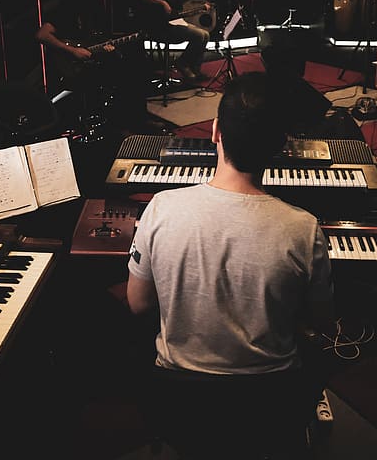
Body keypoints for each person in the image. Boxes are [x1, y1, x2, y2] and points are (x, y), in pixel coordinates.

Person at [125, 71, 335, 451]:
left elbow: (138, 304)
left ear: (216, 131)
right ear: (280, 144)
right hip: (271, 402)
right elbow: (320, 320)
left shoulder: (160, 209)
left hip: (179, 400)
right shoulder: (303, 229)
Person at [35, 0, 160, 135]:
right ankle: (123, 125)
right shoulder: (64, 8)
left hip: (93, 58)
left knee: (136, 65)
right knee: (125, 74)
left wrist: (108, 47)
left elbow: (95, 38)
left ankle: (137, 120)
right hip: (74, 64)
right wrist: (72, 51)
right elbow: (41, 35)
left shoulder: (90, 7)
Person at [137, 0, 211, 82]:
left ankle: (195, 69)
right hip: (159, 26)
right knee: (199, 35)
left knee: (206, 35)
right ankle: (182, 63)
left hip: (173, 23)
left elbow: (178, 11)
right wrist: (162, 3)